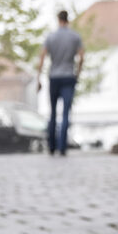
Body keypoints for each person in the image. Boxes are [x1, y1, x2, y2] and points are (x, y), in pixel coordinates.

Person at [36, 10, 84, 156]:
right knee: (65, 114)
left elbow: (42, 57)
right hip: (69, 77)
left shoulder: (51, 37)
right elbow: (81, 57)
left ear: (58, 19)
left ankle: (51, 147)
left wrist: (38, 78)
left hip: (54, 77)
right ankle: (62, 148)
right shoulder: (75, 37)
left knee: (52, 113)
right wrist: (77, 73)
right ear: (67, 20)